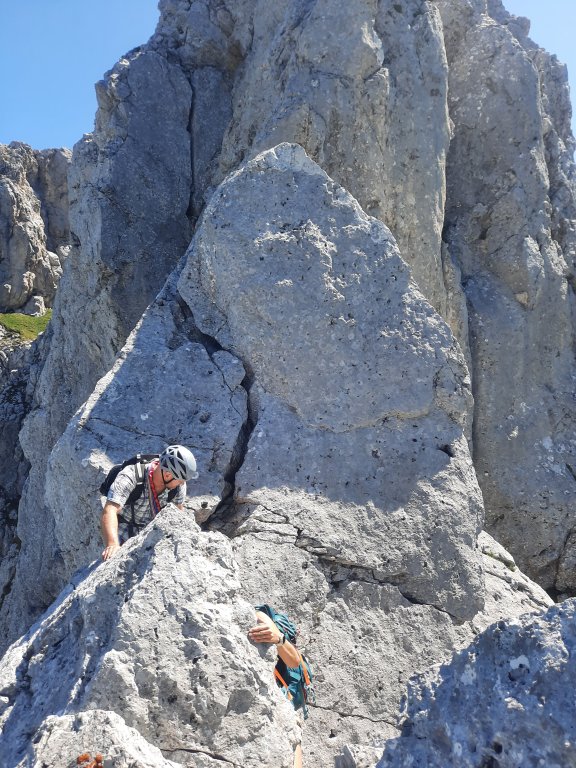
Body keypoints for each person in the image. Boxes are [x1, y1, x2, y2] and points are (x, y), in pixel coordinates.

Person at [101, 444, 198, 560]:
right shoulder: (131, 476)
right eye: (181, 481)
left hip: (151, 532)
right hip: (124, 529)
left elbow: (178, 514)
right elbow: (110, 509)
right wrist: (112, 544)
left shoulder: (178, 487)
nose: (182, 484)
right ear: (167, 475)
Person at [249, 605, 309, 768]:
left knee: (294, 736)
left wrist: (278, 638)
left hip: (280, 699)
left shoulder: (259, 616)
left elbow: (294, 662)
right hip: (272, 699)